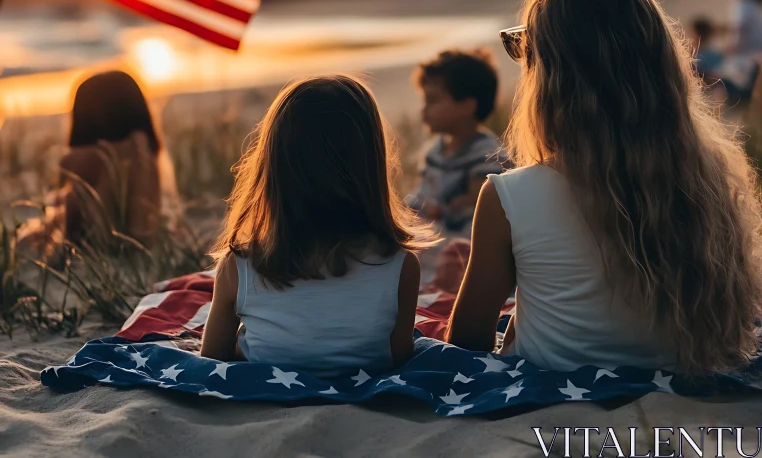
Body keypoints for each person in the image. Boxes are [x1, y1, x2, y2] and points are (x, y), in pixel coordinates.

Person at [446, 0, 762, 375]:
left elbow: (465, 344)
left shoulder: (507, 197)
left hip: (552, 390)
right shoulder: (705, 178)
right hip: (681, 373)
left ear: (549, 81)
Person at [201, 75, 436, 377]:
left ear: (273, 169)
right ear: (371, 166)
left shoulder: (239, 267)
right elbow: (397, 356)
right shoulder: (401, 266)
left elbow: (211, 360)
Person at [17, 70, 181, 252]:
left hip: (91, 247)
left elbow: (69, 223)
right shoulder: (145, 151)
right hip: (142, 244)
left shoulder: (77, 158)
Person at [406, 49, 510, 233]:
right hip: (431, 237)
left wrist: (442, 212)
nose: (424, 109)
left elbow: (479, 217)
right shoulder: (434, 151)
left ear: (467, 106)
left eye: (433, 100)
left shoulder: (487, 156)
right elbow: (422, 195)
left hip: (462, 246)